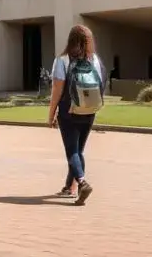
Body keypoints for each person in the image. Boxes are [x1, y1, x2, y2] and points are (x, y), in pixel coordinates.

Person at [47, 24, 104, 206]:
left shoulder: (62, 60)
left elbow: (57, 90)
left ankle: (81, 182)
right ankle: (71, 188)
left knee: (72, 150)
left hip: (69, 109)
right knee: (79, 150)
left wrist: (51, 113)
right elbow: (102, 83)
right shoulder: (94, 59)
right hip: (89, 110)